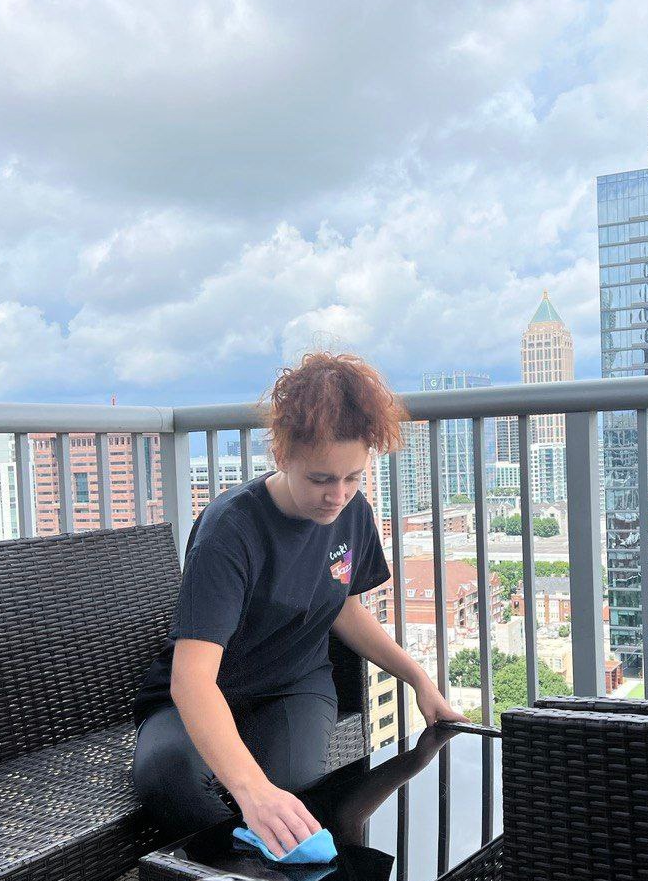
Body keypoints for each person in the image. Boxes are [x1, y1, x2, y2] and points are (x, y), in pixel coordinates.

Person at [131, 351, 468, 855]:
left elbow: (343, 607)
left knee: (297, 794)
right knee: (168, 779)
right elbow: (192, 679)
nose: (338, 495)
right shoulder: (230, 530)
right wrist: (252, 792)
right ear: (283, 453)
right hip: (209, 689)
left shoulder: (354, 513)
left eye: (353, 477)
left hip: (295, 686)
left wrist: (419, 679)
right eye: (320, 479)